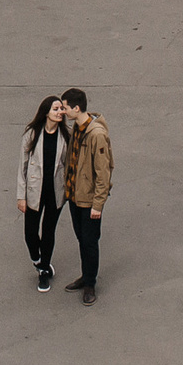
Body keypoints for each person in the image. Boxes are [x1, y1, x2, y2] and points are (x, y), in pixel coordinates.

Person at [60, 87, 112, 305]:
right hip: (74, 196)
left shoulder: (96, 135)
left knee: (90, 242)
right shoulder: (76, 129)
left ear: (76, 108)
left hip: (88, 200)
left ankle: (90, 283)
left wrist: (97, 205)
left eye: (65, 108)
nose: (63, 111)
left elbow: (104, 173)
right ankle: (85, 275)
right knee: (82, 239)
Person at [17, 96, 68, 292]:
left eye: (62, 109)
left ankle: (44, 270)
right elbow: (22, 167)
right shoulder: (32, 134)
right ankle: (37, 260)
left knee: (48, 231)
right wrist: (20, 196)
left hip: (55, 192)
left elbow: (67, 165)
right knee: (30, 232)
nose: (60, 112)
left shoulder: (65, 136)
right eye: (56, 108)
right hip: (33, 192)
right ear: (46, 111)